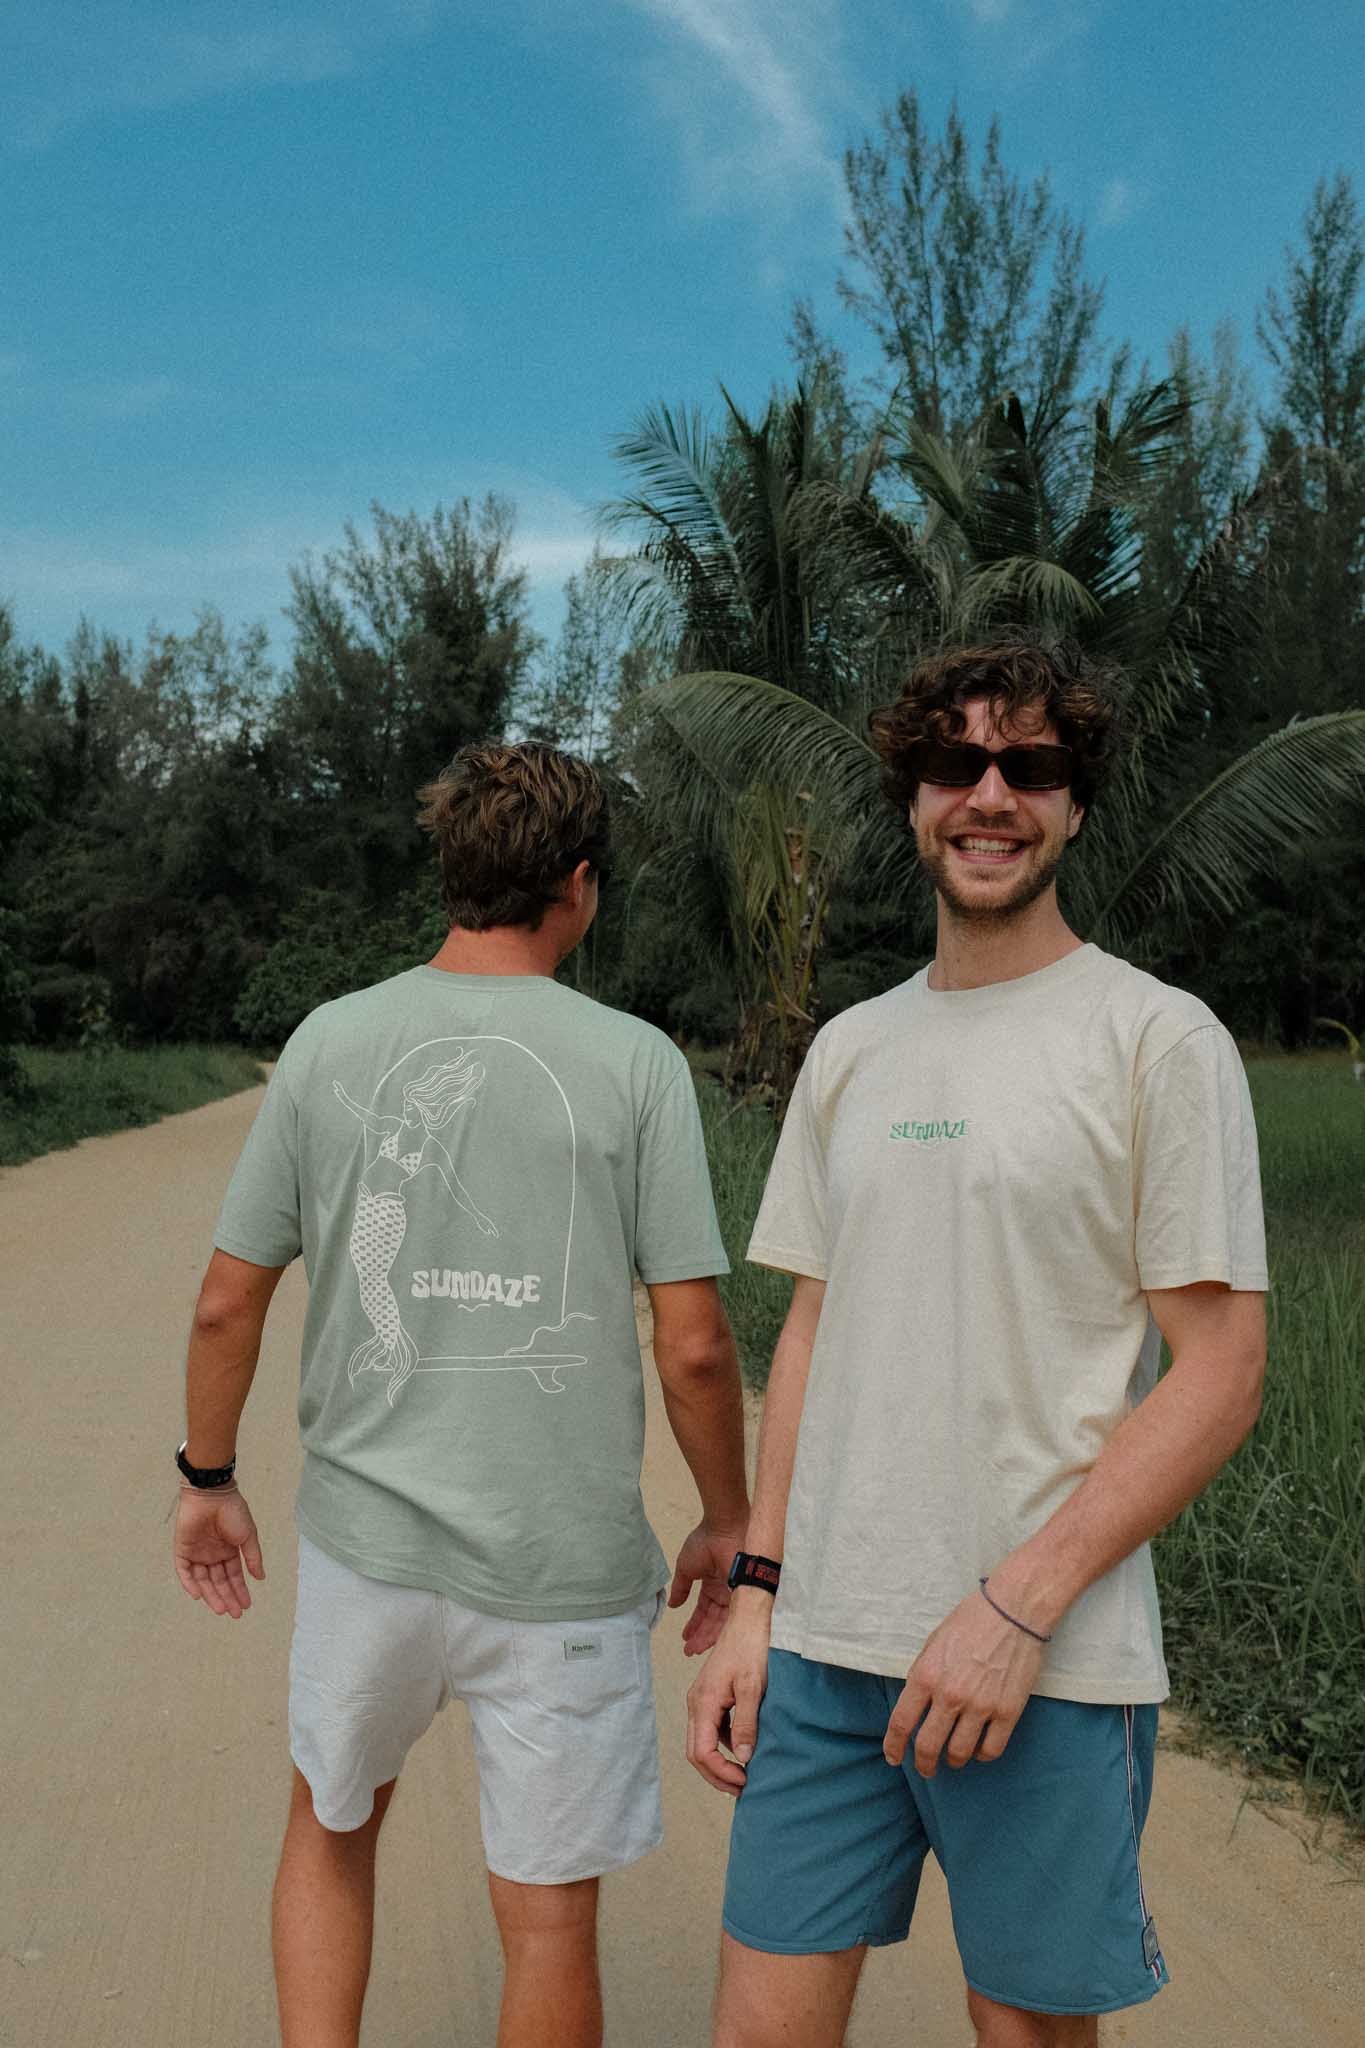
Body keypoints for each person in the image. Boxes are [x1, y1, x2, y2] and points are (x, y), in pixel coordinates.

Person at [688, 637, 1268, 2048]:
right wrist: (758, 1597)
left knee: (1021, 2032)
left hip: (1043, 1664)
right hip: (827, 1650)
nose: (989, 794)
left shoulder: (1154, 1039)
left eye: (1030, 767)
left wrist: (1013, 1610)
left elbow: (1221, 1370)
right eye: (955, 763)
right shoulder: (853, 1049)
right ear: (911, 799)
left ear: (1073, 805)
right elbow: (815, 1325)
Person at [172, 741, 749, 2048]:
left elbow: (226, 1297)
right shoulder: (635, 1062)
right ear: (580, 886)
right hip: (559, 1565)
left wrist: (208, 1479)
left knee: (330, 1828)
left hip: (367, 1553)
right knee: (545, 1918)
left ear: (450, 872)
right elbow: (698, 1345)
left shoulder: (331, 1041)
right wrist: (726, 1518)